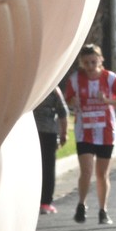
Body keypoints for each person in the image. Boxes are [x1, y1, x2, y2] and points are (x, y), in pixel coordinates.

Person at [62, 43, 116, 225]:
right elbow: (68, 101)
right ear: (81, 63)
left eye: (93, 61)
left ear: (101, 60)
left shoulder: (110, 79)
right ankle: (81, 204)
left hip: (106, 131)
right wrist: (72, 101)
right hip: (84, 132)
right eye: (86, 63)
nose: (90, 66)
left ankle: (103, 210)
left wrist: (107, 100)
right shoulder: (75, 79)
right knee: (86, 171)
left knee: (102, 174)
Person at [33, 86, 69, 214]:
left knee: (37, 167)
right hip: (47, 131)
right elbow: (63, 112)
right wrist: (64, 133)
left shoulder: (33, 87)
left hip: (35, 132)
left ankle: (37, 200)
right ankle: (45, 202)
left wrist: (63, 132)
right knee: (48, 168)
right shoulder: (53, 90)